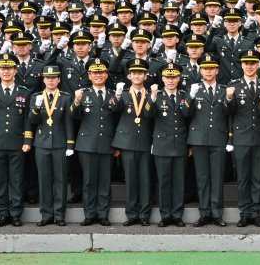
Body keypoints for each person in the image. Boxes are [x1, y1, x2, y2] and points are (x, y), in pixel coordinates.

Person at [0, 54, 32, 227]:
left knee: (17, 180)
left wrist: (27, 140)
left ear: (15, 71)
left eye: (9, 68)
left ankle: (16, 213)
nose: (6, 71)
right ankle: (3, 213)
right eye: (3, 68)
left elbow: (27, 119)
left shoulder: (24, 92)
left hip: (17, 142)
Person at [72, 59, 117, 227]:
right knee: (89, 181)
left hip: (107, 143)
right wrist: (76, 102)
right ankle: (90, 214)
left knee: (105, 181)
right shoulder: (82, 94)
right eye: (94, 73)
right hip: (87, 143)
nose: (98, 75)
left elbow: (117, 119)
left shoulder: (113, 94)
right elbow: (73, 116)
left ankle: (103, 214)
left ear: (106, 75)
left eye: (101, 72)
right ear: (89, 76)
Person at [187, 53, 230, 227]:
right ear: (200, 70)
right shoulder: (194, 89)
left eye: (211, 68)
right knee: (202, 178)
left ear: (217, 70)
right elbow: (186, 115)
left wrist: (229, 99)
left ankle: (217, 213)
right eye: (205, 68)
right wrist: (189, 97)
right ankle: (204, 212)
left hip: (219, 138)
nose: (208, 71)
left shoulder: (223, 89)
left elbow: (229, 114)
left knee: (217, 178)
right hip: (199, 139)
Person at [227, 49, 260, 227]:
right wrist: (228, 98)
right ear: (242, 65)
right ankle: (244, 212)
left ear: (258, 65)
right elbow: (228, 113)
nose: (250, 66)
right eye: (246, 63)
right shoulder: (234, 85)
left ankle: (255, 212)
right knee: (243, 178)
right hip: (241, 137)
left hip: (259, 136)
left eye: (253, 63)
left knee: (257, 177)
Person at [112, 60, 153, 226]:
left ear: (145, 76)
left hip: (145, 141)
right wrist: (117, 95)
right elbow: (114, 112)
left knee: (145, 180)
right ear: (129, 76)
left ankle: (144, 215)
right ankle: (131, 214)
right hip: (127, 142)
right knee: (130, 180)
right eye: (134, 73)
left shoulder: (151, 94)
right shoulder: (123, 93)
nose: (137, 76)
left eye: (140, 73)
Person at [30, 64, 73, 226]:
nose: (50, 80)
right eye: (48, 78)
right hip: (41, 143)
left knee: (60, 180)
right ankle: (46, 215)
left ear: (59, 79)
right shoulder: (36, 97)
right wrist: (36, 108)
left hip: (60, 144)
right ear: (43, 79)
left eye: (53, 77)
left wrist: (70, 144)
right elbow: (32, 121)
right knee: (44, 180)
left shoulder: (65, 97)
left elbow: (68, 122)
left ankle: (60, 215)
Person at [150, 62, 192, 227]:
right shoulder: (157, 95)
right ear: (162, 78)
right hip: (162, 144)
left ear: (179, 78)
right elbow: (148, 114)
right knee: (164, 182)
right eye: (168, 77)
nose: (171, 80)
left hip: (180, 143)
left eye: (174, 77)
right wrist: (152, 98)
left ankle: (177, 214)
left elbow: (189, 117)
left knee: (179, 182)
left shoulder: (184, 95)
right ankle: (165, 215)